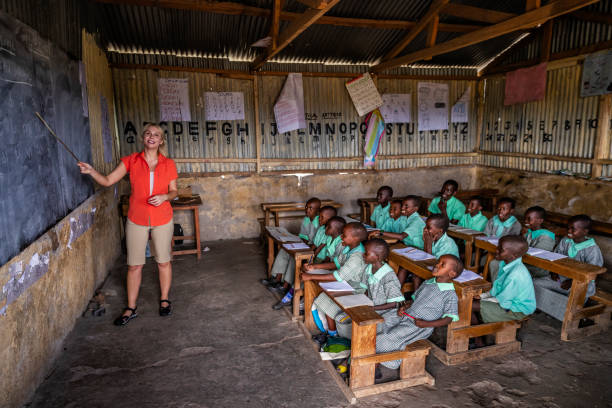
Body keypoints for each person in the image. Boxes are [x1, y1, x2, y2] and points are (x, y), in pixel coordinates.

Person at [77, 123, 178, 326]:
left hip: (162, 218)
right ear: (143, 138)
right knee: (134, 265)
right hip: (136, 218)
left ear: (161, 141)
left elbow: (175, 191)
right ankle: (131, 308)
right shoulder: (131, 161)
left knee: (164, 261)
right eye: (148, 133)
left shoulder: (168, 164)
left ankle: (164, 300)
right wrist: (91, 171)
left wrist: (165, 196)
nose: (151, 137)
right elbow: (106, 181)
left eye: (156, 135)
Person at [375, 254, 462, 379]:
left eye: (442, 265)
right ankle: (372, 351)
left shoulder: (449, 294)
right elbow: (414, 300)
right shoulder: (428, 282)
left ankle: (376, 363)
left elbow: (449, 318)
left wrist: (426, 324)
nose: (437, 265)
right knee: (381, 321)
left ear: (452, 274)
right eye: (438, 262)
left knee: (389, 337)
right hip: (407, 314)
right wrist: (404, 307)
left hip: (419, 325)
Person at [302, 223, 368, 338]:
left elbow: (339, 276)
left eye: (344, 235)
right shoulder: (349, 247)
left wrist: (311, 276)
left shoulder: (357, 256)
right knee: (324, 298)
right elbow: (337, 263)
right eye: (342, 234)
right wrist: (314, 267)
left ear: (355, 238)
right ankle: (331, 332)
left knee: (328, 300)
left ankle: (333, 335)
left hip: (356, 288)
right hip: (346, 283)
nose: (341, 237)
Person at [471, 235, 535, 347]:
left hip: (516, 310)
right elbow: (496, 289)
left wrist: (484, 300)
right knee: (469, 302)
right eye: (498, 247)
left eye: (501, 249)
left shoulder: (516, 274)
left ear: (513, 255)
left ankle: (479, 340)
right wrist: (482, 296)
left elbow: (502, 300)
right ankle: (476, 333)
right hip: (506, 302)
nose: (496, 250)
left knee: (468, 306)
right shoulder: (504, 264)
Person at [334, 239, 405, 339]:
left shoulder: (388, 276)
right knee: (341, 318)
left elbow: (395, 303)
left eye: (366, 253)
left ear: (377, 257)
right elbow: (366, 289)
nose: (363, 255)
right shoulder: (369, 268)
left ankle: (358, 344)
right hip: (372, 307)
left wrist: (372, 309)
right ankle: (350, 341)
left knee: (366, 328)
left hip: (387, 313)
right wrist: (362, 302)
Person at [533, 215, 603, 316]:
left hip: (581, 284)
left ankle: (560, 313)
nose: (569, 231)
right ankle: (546, 306)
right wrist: (554, 272)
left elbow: (593, 273)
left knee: (574, 299)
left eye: (573, 229)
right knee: (535, 283)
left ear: (585, 231)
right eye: (568, 228)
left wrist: (573, 281)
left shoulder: (593, 249)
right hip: (560, 279)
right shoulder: (565, 241)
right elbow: (555, 257)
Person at [272, 205, 337, 309]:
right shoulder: (322, 229)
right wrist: (305, 253)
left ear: (330, 220)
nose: (319, 219)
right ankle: (288, 288)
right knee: (297, 261)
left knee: (304, 269)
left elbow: (321, 251)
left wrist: (311, 260)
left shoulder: (330, 233)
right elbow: (315, 245)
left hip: (321, 259)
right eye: (319, 217)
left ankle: (291, 296)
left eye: (321, 217)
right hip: (316, 256)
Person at [261, 198, 321, 295]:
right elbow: (303, 236)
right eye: (306, 207)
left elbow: (317, 243)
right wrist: (297, 242)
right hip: (305, 244)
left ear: (317, 210)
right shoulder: (306, 219)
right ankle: (277, 278)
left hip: (312, 248)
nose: (307, 210)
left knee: (295, 256)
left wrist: (302, 246)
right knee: (284, 250)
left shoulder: (320, 222)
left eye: (311, 208)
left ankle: (284, 286)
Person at [406, 214, 460, 291]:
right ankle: (417, 299)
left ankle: (419, 300)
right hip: (433, 268)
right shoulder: (430, 237)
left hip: (446, 274)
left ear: (440, 231)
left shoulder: (447, 244)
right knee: (414, 273)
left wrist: (428, 244)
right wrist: (426, 242)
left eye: (428, 228)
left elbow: (431, 262)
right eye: (425, 226)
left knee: (417, 275)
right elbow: (425, 258)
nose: (425, 229)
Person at [522, 206, 556, 279]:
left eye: (529, 219)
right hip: (525, 261)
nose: (525, 221)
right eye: (525, 218)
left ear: (540, 221)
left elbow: (537, 257)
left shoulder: (546, 236)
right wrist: (522, 235)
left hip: (538, 268)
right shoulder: (528, 232)